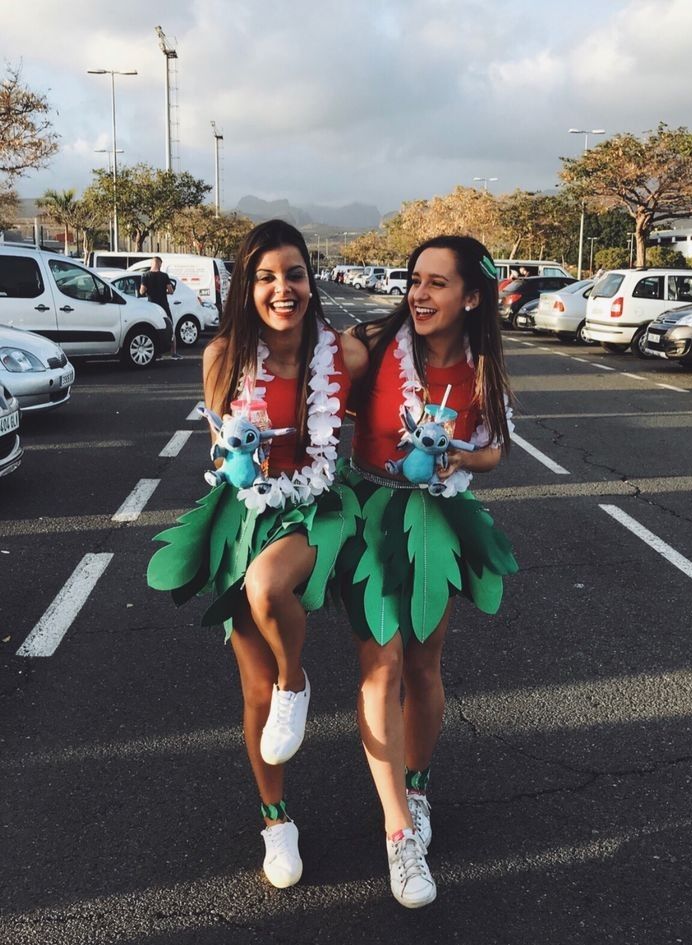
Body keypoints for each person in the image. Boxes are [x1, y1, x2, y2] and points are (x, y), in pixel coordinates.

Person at [147, 220, 367, 889]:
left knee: (269, 588)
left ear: (311, 280)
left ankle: (295, 681)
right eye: (266, 276)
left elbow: (426, 330)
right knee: (251, 690)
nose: (282, 289)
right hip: (248, 511)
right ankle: (276, 821)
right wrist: (232, 456)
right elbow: (220, 446)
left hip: (317, 506)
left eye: (294, 274)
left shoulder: (343, 354)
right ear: (245, 286)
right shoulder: (222, 355)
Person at [339, 235, 518, 909]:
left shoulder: (483, 369)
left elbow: (495, 449)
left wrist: (460, 461)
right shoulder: (376, 345)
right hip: (370, 512)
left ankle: (416, 785)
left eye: (438, 283)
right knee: (381, 665)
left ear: (470, 296)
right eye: (416, 279)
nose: (419, 292)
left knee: (423, 664)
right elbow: (313, 373)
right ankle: (398, 831)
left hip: (437, 519)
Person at [140, 256, 181, 360]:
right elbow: (171, 291)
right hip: (163, 305)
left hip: (152, 306)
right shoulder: (164, 276)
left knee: (153, 328)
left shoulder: (145, 275)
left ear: (152, 263)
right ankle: (174, 352)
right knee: (170, 327)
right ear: (159, 264)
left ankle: (157, 353)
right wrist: (165, 291)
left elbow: (142, 291)